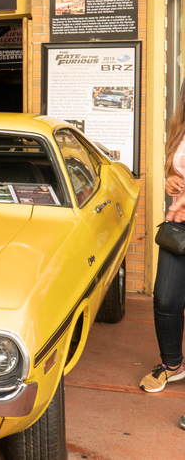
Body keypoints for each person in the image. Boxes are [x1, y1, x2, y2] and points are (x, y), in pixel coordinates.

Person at [145, 80, 185, 432]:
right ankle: (173, 365)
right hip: (179, 230)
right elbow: (176, 175)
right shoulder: (181, 129)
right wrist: (171, 181)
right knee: (165, 298)